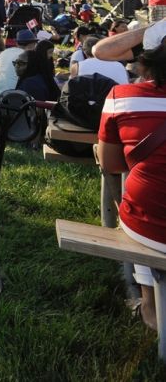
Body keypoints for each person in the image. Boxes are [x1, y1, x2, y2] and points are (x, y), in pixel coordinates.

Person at [97, 19, 166, 330]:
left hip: (150, 227)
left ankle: (150, 308)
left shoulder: (122, 96)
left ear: (145, 59)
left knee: (140, 200)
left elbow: (112, 164)